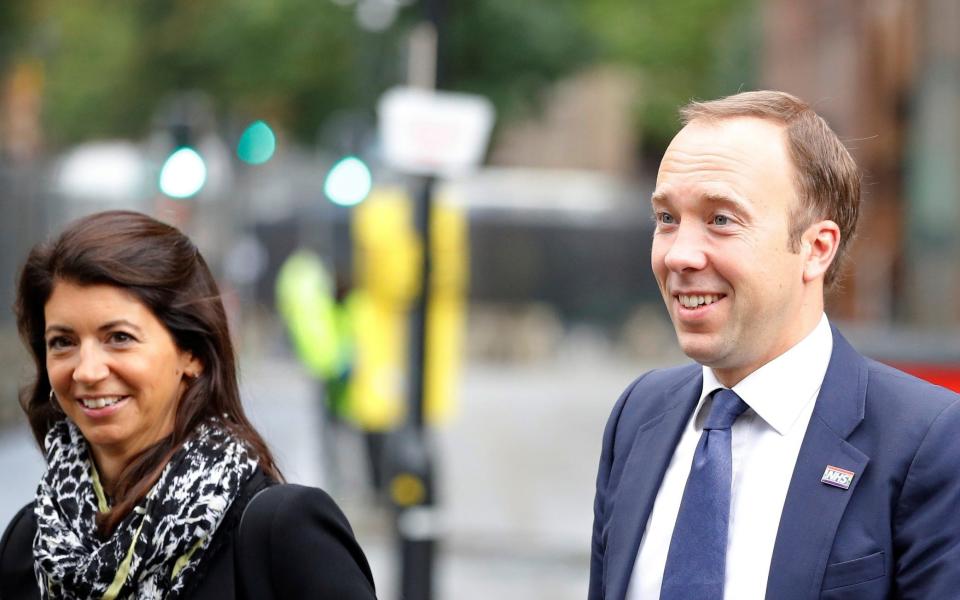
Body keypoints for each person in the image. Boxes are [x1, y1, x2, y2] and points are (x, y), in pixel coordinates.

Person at [589, 90, 960, 600]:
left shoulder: (927, 442)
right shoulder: (639, 415)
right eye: (667, 219)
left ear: (816, 248)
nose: (679, 255)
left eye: (721, 219)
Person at [0, 210, 378, 599]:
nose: (87, 371)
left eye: (119, 337)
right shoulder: (29, 543)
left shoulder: (284, 533)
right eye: (63, 342)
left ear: (192, 353)